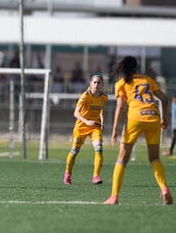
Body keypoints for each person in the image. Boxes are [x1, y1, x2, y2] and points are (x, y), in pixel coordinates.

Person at [104, 56, 173, 205]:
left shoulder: (121, 83)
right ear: (136, 67)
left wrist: (115, 130)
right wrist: (164, 119)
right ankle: (164, 189)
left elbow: (121, 107)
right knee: (154, 158)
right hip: (153, 116)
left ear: (122, 68)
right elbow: (164, 98)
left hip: (135, 117)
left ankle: (114, 196)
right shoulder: (147, 79)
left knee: (122, 158)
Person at [64, 73, 108, 185]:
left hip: (95, 126)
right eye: (95, 82)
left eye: (99, 82)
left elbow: (101, 109)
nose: (96, 84)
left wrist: (102, 119)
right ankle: (68, 174)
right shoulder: (85, 96)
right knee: (74, 151)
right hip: (82, 126)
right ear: (90, 83)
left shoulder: (104, 97)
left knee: (99, 149)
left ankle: (96, 176)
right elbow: (76, 113)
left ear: (102, 84)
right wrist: (87, 121)